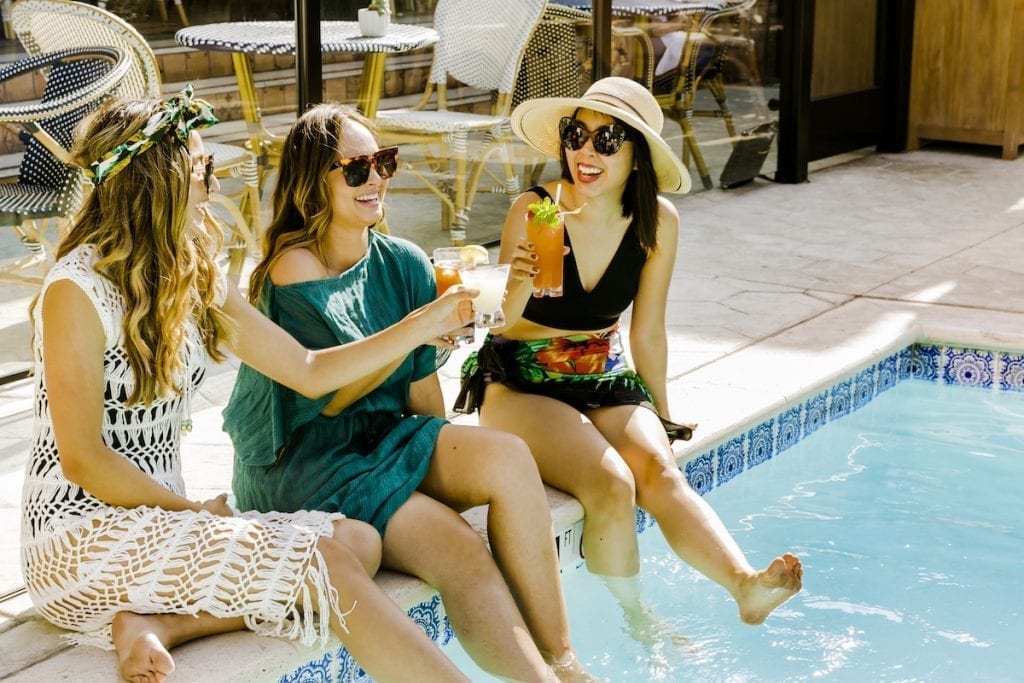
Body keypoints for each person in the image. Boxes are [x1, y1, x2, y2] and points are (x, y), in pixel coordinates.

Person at [21, 87, 474, 683]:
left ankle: (159, 624)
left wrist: (418, 329)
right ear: (159, 179)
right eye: (202, 167)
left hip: (163, 521)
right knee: (329, 566)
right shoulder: (75, 292)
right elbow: (82, 459)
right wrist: (191, 512)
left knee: (358, 541)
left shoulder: (192, 269)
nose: (214, 181)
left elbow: (309, 371)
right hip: (79, 537)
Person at [222, 103, 588, 682]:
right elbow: (331, 395)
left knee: (510, 455)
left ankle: (566, 665)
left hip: (383, 442)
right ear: (311, 182)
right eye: (356, 170)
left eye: (384, 163)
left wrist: (441, 465)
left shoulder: (406, 262)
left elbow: (423, 404)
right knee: (462, 552)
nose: (376, 181)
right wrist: (420, 328)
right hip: (309, 459)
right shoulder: (291, 271)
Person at [455, 77, 803, 631]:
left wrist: (660, 417)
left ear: (636, 153)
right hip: (521, 379)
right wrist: (516, 277)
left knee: (659, 471)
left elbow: (648, 333)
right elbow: (504, 322)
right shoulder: (536, 209)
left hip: (601, 377)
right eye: (576, 135)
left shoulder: (658, 221)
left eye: (605, 140)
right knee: (612, 483)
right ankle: (636, 616)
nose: (584, 152)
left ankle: (744, 586)